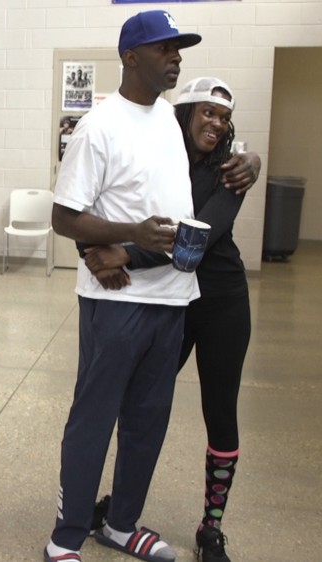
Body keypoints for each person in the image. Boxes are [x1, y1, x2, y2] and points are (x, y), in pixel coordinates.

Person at [44, 10, 208, 562]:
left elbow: (216, 143)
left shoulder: (167, 119)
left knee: (147, 422)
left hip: (173, 297)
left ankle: (121, 524)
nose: (176, 58)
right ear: (130, 56)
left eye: (179, 49)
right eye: (166, 49)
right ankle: (66, 537)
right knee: (93, 419)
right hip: (118, 303)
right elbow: (65, 217)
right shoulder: (99, 126)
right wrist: (125, 236)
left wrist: (248, 159)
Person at [83, 77, 257, 562]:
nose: (216, 124)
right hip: (170, 301)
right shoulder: (160, 155)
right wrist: (97, 248)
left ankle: (211, 529)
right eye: (207, 113)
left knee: (220, 413)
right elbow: (104, 202)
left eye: (223, 117)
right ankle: (121, 509)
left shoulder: (232, 171)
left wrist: (124, 254)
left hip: (220, 303)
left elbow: (196, 240)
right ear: (184, 113)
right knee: (141, 407)